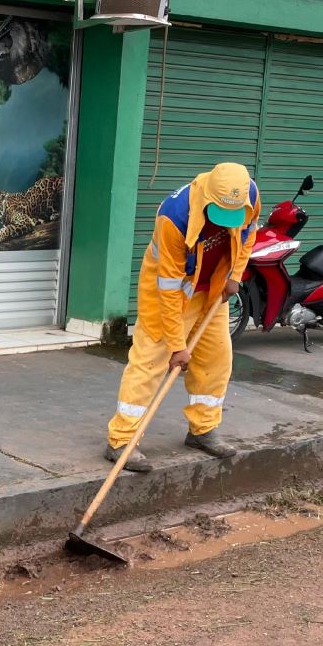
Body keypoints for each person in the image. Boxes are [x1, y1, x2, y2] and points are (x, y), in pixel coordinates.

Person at [106, 163, 260, 471]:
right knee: (150, 361)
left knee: (216, 360)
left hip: (213, 289)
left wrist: (235, 275)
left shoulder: (249, 196)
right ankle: (121, 440)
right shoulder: (174, 216)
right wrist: (177, 346)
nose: (225, 222)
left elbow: (247, 235)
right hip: (169, 290)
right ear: (207, 199)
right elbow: (169, 290)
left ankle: (202, 430)